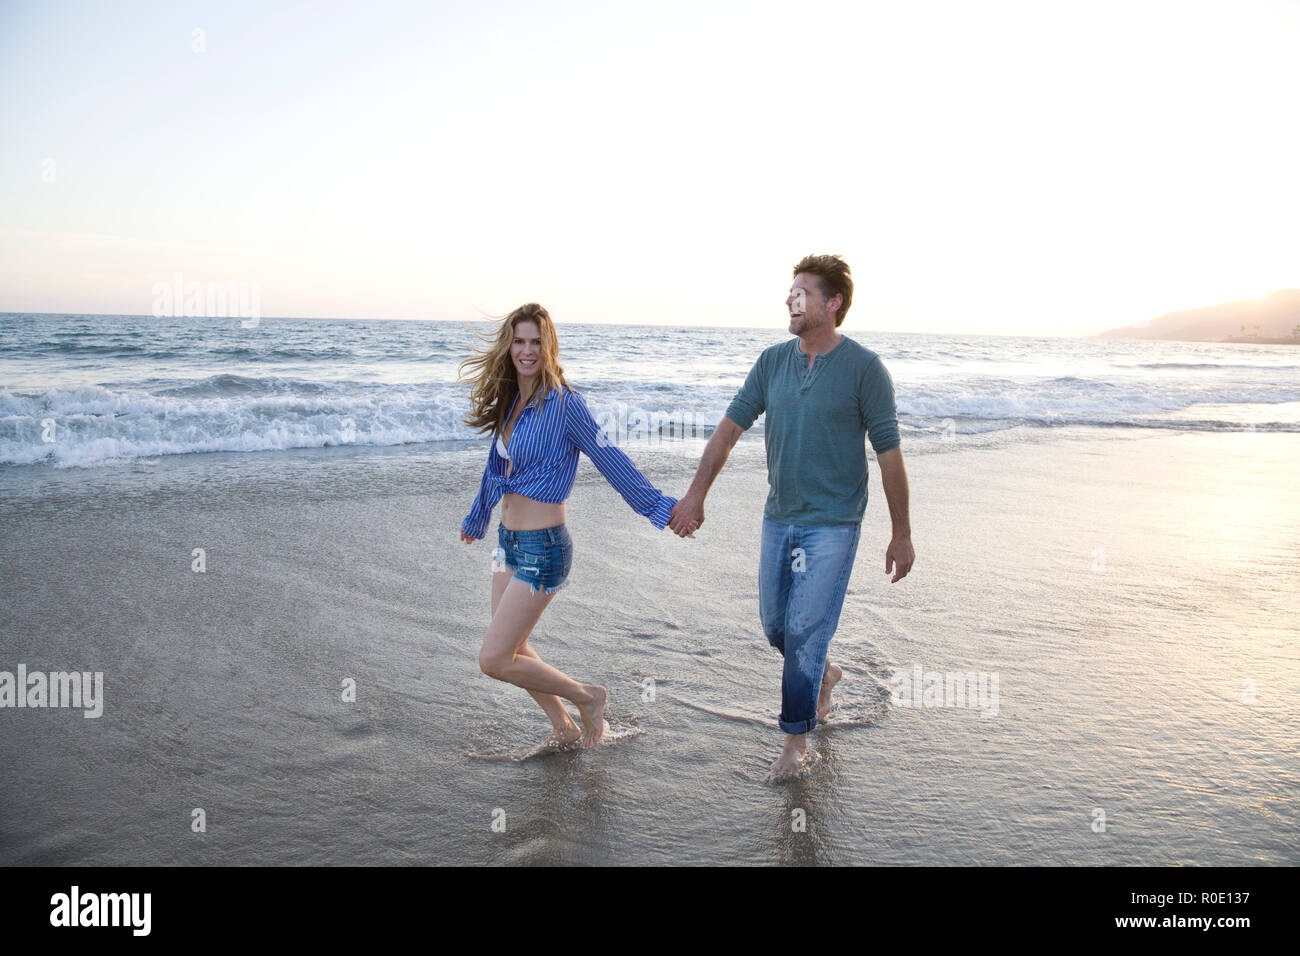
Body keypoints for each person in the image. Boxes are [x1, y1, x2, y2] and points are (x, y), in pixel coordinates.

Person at [668, 255, 915, 781]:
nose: (790, 300)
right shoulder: (772, 362)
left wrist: (901, 533)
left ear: (833, 304)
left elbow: (889, 453)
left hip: (834, 523)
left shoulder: (865, 369)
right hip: (779, 518)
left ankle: (794, 741)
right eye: (790, 291)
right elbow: (729, 430)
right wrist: (695, 496)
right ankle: (824, 675)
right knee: (777, 625)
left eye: (802, 292)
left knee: (804, 630)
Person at [459, 303, 678, 750]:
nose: (526, 351)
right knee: (513, 649)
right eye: (519, 341)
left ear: (548, 346)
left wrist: (659, 508)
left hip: (544, 548)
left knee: (494, 658)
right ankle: (563, 725)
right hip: (508, 544)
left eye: (535, 342)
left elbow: (610, 459)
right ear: (509, 345)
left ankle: (588, 698)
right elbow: (495, 467)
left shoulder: (564, 403)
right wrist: (478, 516)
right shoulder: (511, 402)